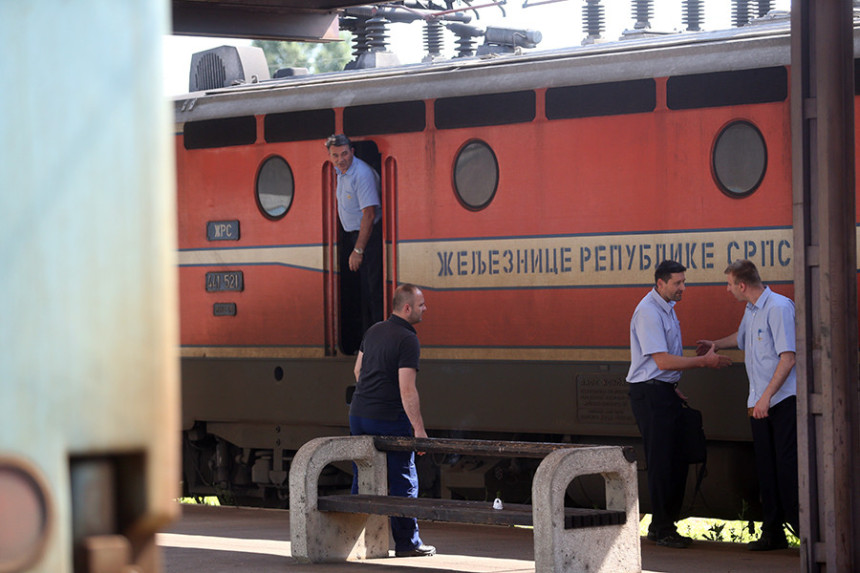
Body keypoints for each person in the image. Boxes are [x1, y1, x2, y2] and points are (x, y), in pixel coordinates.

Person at [626, 260, 732, 549]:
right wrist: (704, 362)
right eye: (677, 283)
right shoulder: (649, 312)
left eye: (684, 282)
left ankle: (664, 524)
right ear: (660, 283)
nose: (683, 287)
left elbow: (662, 366)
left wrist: (673, 387)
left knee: (675, 459)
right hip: (650, 395)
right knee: (663, 461)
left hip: (662, 392)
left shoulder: (666, 309)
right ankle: (662, 528)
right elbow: (661, 361)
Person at [696, 259, 799, 551]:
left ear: (742, 285)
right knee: (767, 469)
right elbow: (741, 339)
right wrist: (714, 344)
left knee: (787, 469)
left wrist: (766, 397)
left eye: (729, 284)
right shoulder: (752, 309)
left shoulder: (779, 308)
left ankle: (805, 532)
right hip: (759, 403)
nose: (727, 290)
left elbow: (788, 357)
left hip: (780, 403)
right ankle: (773, 532)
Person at [349, 283, 435, 558]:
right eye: (421, 305)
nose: (425, 309)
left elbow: (358, 370)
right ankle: (408, 543)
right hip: (388, 418)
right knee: (402, 479)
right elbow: (407, 389)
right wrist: (419, 430)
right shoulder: (407, 339)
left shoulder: (374, 330)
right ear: (407, 308)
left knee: (362, 476)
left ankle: (351, 538)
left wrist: (372, 396)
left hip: (359, 415)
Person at [326, 133, 383, 336]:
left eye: (344, 154)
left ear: (352, 152)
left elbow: (369, 214)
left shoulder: (361, 174)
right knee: (364, 290)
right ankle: (369, 339)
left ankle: (377, 340)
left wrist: (358, 250)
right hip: (354, 236)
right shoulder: (341, 171)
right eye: (335, 156)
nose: (340, 159)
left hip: (369, 237)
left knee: (374, 291)